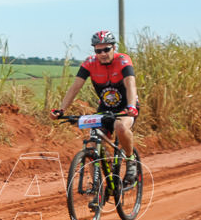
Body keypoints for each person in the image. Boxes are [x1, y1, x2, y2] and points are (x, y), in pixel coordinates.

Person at [51, 30, 140, 184]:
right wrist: (61, 110)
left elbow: (130, 84)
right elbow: (75, 88)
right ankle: (96, 187)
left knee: (121, 127)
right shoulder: (90, 63)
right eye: (98, 50)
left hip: (126, 108)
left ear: (114, 48)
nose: (103, 54)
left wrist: (131, 106)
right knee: (92, 145)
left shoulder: (123, 60)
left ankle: (131, 160)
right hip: (105, 109)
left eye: (107, 49)